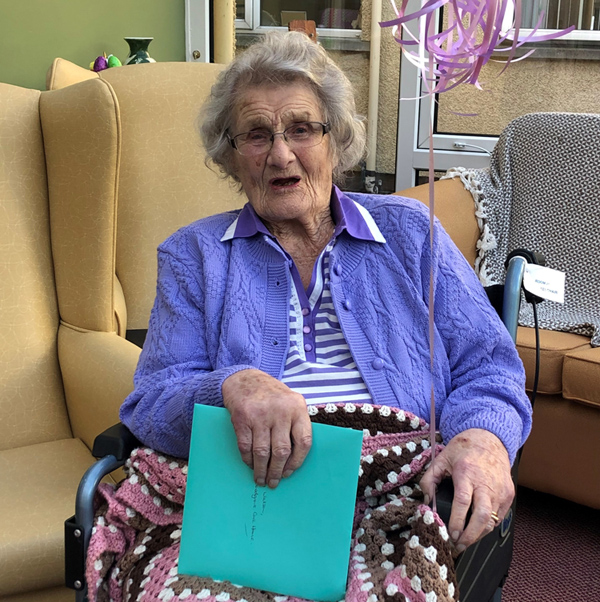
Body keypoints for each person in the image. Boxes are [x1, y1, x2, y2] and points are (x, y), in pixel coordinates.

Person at [120, 31, 531, 555]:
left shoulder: (411, 232)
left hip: (406, 494)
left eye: (301, 129)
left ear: (335, 140)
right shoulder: (194, 255)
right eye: (256, 135)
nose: (280, 154)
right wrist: (231, 385)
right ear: (231, 156)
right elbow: (151, 404)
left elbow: (490, 367)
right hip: (253, 503)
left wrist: (483, 439)